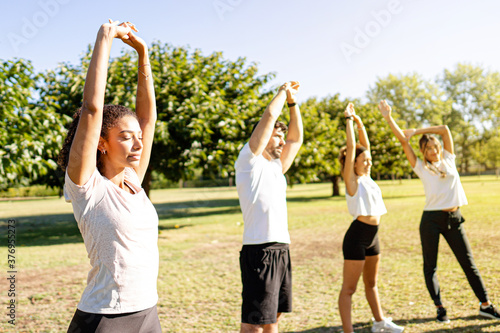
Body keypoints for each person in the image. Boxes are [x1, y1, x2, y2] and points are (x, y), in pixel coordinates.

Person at [58, 20, 161, 332]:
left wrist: (143, 55)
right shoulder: (87, 187)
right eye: (125, 137)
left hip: (147, 312)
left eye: (137, 136)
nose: (138, 142)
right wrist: (105, 37)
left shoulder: (133, 180)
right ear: (101, 143)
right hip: (105, 319)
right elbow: (92, 109)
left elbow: (148, 118)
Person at [379, 99, 500, 323]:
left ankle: (486, 304)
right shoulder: (420, 167)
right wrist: (389, 118)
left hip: (455, 218)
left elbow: (444, 130)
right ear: (423, 152)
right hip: (431, 220)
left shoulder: (449, 159)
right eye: (428, 148)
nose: (433, 150)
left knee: (468, 263)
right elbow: (403, 141)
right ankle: (440, 307)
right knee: (430, 266)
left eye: (435, 146)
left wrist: (418, 131)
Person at [235, 81, 303, 333]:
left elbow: (297, 138)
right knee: (254, 324)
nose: (283, 141)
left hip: (281, 248)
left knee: (272, 317)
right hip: (259, 251)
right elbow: (270, 115)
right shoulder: (248, 161)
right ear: (262, 136)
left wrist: (294, 104)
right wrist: (283, 93)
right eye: (277, 135)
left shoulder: (277, 167)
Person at [337, 103, 404, 333]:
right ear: (352, 162)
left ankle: (379, 322)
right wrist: (348, 122)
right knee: (349, 289)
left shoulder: (367, 177)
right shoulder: (352, 181)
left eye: (369, 160)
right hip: (357, 237)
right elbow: (353, 145)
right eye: (364, 160)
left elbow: (365, 147)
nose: (369, 161)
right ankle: (348, 331)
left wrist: (360, 122)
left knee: (371, 284)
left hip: (373, 236)